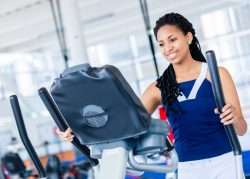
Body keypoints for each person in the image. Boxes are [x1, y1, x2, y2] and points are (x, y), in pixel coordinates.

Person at [56, 12, 247, 179]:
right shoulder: (158, 88)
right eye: (162, 44)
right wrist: (78, 130)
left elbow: (241, 129)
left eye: (173, 40)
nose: (168, 48)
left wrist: (234, 117)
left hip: (226, 160)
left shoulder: (216, 73)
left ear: (188, 37)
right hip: (188, 167)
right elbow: (124, 124)